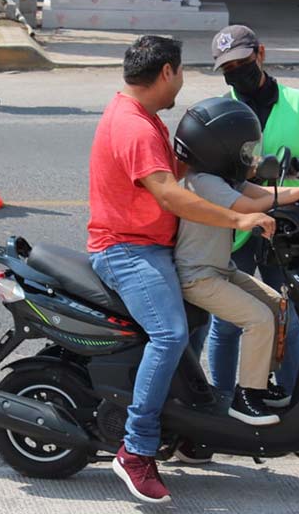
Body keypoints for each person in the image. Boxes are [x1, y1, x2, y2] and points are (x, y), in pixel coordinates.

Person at [87, 35, 274, 504]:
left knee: (197, 319)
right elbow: (170, 195)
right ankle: (136, 450)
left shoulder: (144, 118)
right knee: (170, 334)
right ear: (167, 71)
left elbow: (204, 178)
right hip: (127, 250)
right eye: (183, 71)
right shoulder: (134, 127)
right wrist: (238, 219)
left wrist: (274, 189)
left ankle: (186, 426)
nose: (183, 81)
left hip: (151, 246)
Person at [191, 26, 299, 425]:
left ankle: (293, 408)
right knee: (229, 322)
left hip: (284, 228)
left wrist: (296, 167)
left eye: (242, 63)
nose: (236, 74)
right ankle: (223, 403)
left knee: (286, 318)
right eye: (227, 69)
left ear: (261, 55)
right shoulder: (222, 108)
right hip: (238, 231)